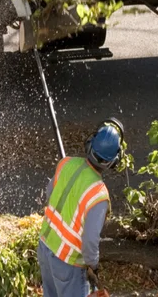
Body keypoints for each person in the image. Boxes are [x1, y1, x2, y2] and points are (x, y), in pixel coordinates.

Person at [38, 118, 125, 297]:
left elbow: (49, 197)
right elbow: (90, 241)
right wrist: (93, 265)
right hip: (68, 264)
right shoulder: (98, 194)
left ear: (89, 144)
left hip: (45, 248)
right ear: (113, 161)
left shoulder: (66, 163)